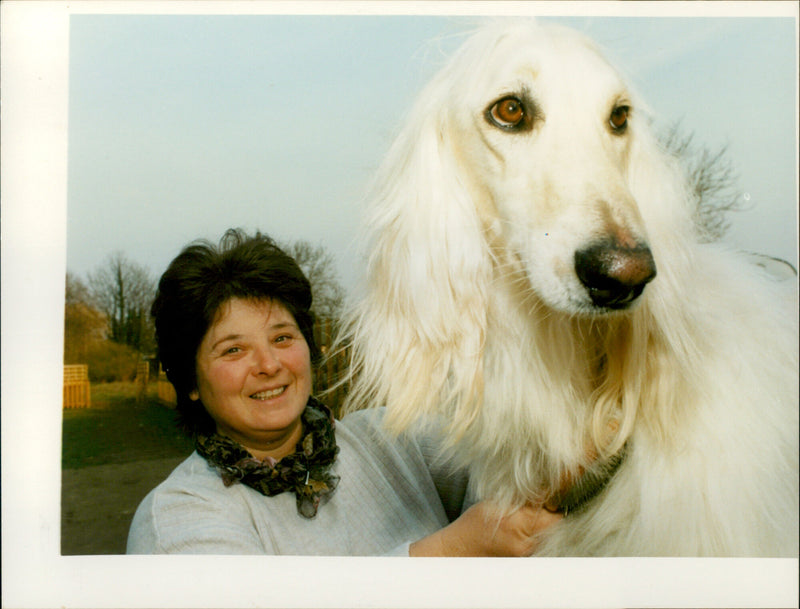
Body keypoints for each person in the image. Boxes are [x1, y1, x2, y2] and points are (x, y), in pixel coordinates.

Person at [127, 229, 561, 555]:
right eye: (233, 349)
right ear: (190, 382)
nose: (268, 365)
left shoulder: (389, 438)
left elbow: (524, 459)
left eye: (282, 338)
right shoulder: (177, 516)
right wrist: (453, 550)